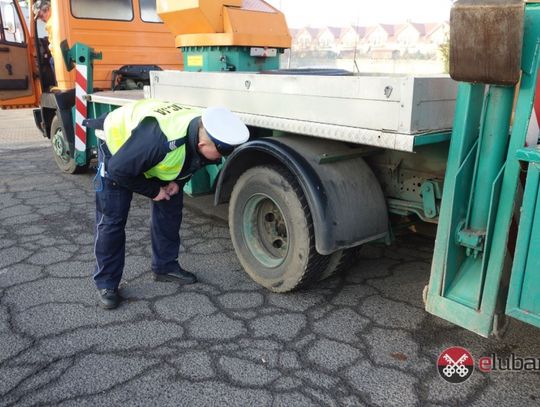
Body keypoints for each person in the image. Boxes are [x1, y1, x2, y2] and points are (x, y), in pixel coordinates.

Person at [89, 100, 249, 309]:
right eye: (222, 154)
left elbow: (196, 161)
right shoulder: (161, 141)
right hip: (116, 152)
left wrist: (177, 182)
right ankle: (107, 283)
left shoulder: (202, 129)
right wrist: (154, 191)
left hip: (150, 153)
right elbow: (120, 170)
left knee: (171, 211)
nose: (223, 158)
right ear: (202, 145)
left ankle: (165, 267)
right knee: (112, 220)